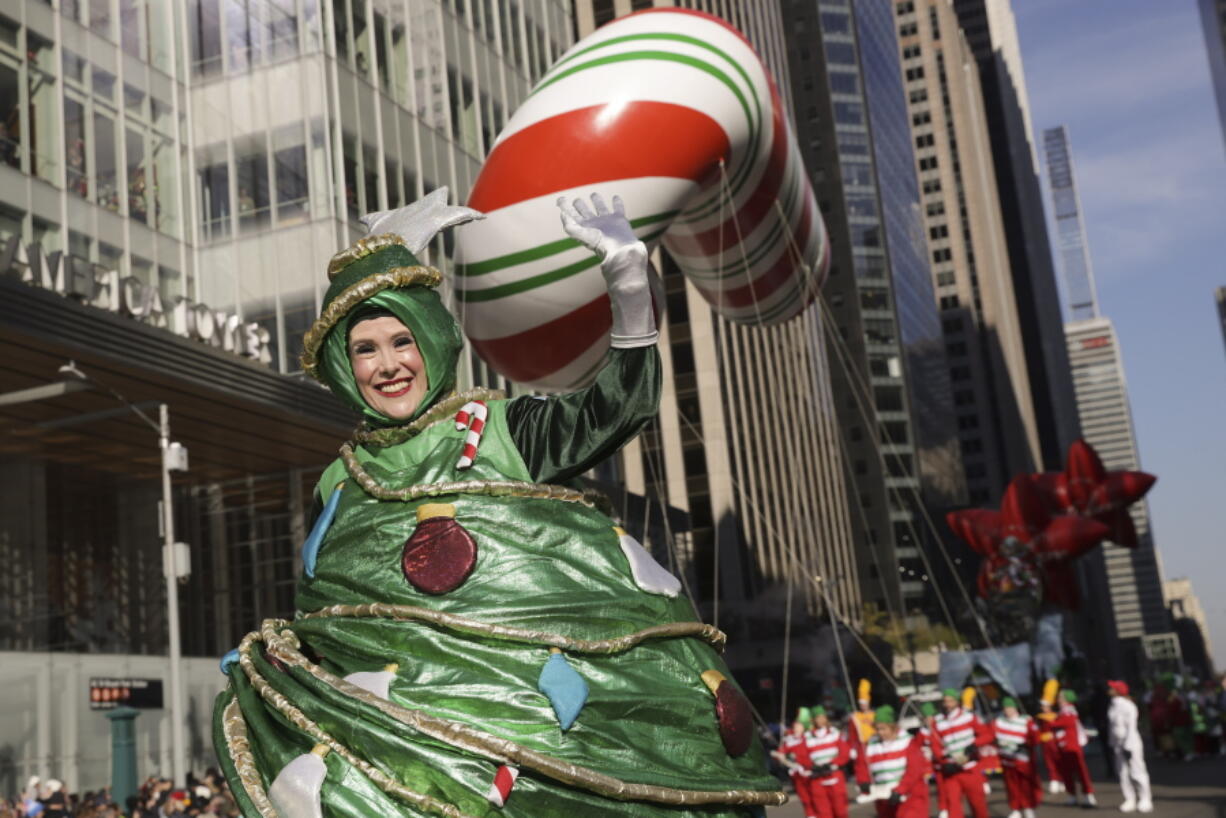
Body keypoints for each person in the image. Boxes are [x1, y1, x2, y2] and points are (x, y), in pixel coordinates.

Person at [211, 190, 785, 816]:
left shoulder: (499, 429)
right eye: (365, 350)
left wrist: (626, 280)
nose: (388, 366)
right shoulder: (338, 480)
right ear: (346, 369)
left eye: (401, 341)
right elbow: (339, 617)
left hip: (545, 747)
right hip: (411, 757)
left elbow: (617, 408)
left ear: (432, 340)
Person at [854, 706, 929, 818]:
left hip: (909, 796)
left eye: (883, 729)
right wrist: (863, 782)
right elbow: (862, 765)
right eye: (877, 729)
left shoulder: (908, 742)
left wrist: (900, 790)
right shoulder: (870, 744)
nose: (880, 732)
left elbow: (914, 771)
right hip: (884, 797)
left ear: (893, 727)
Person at [930, 688, 991, 818]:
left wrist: (975, 744)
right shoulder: (938, 721)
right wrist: (944, 761)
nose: (947, 705)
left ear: (957, 701)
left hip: (970, 768)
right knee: (953, 804)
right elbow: (935, 745)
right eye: (945, 701)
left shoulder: (969, 716)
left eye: (950, 701)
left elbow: (987, 734)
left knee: (978, 804)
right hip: (952, 771)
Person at [1107, 681, 1152, 813]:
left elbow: (1131, 727)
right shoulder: (1112, 706)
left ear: (1118, 690)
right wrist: (1112, 742)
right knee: (1123, 772)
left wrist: (1129, 744)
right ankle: (1130, 798)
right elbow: (1112, 727)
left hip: (1131, 743)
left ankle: (1145, 798)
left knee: (1137, 771)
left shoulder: (1128, 706)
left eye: (1112, 687)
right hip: (1118, 743)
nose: (1109, 689)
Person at [992, 697, 1040, 818]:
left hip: (1022, 759)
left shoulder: (1026, 721)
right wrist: (997, 742)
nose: (1008, 710)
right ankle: (1015, 808)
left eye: (1010, 707)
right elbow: (991, 735)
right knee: (1011, 785)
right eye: (1006, 708)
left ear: (1015, 708)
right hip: (1007, 759)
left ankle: (1028, 808)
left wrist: (1025, 744)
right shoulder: (999, 721)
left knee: (1026, 784)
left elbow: (1035, 738)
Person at [1053, 689, 1097, 807]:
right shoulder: (1063, 711)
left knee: (1081, 772)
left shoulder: (1069, 711)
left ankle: (1088, 796)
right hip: (1064, 747)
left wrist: (1049, 721)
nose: (1058, 700)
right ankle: (1071, 795)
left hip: (1072, 747)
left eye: (1060, 698)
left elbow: (1063, 723)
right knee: (1067, 773)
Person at [805, 706, 851, 818]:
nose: (820, 720)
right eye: (817, 718)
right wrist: (811, 767)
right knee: (823, 813)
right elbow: (802, 755)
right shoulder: (807, 737)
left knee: (841, 812)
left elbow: (845, 752)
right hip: (818, 778)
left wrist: (833, 764)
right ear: (813, 720)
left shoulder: (835, 733)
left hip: (834, 775)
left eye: (822, 717)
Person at [774, 709, 818, 818]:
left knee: (816, 794)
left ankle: (819, 812)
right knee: (804, 796)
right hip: (797, 772)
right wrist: (779, 755)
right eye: (795, 726)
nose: (796, 728)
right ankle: (810, 814)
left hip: (811, 771)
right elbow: (782, 752)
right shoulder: (789, 739)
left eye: (799, 726)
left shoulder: (809, 737)